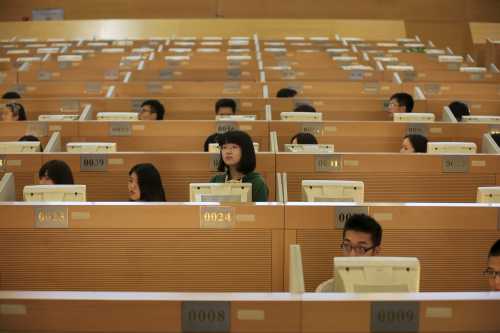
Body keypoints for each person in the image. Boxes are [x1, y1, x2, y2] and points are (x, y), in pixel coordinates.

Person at [316, 214, 382, 292]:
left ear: (376, 252)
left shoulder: (389, 292)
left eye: (360, 248)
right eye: (347, 246)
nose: (352, 255)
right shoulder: (326, 290)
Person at [210, 130, 269, 202]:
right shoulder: (216, 180)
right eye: (224, 147)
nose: (228, 152)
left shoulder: (257, 183)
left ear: (245, 151)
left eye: (234, 147)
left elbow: (261, 212)